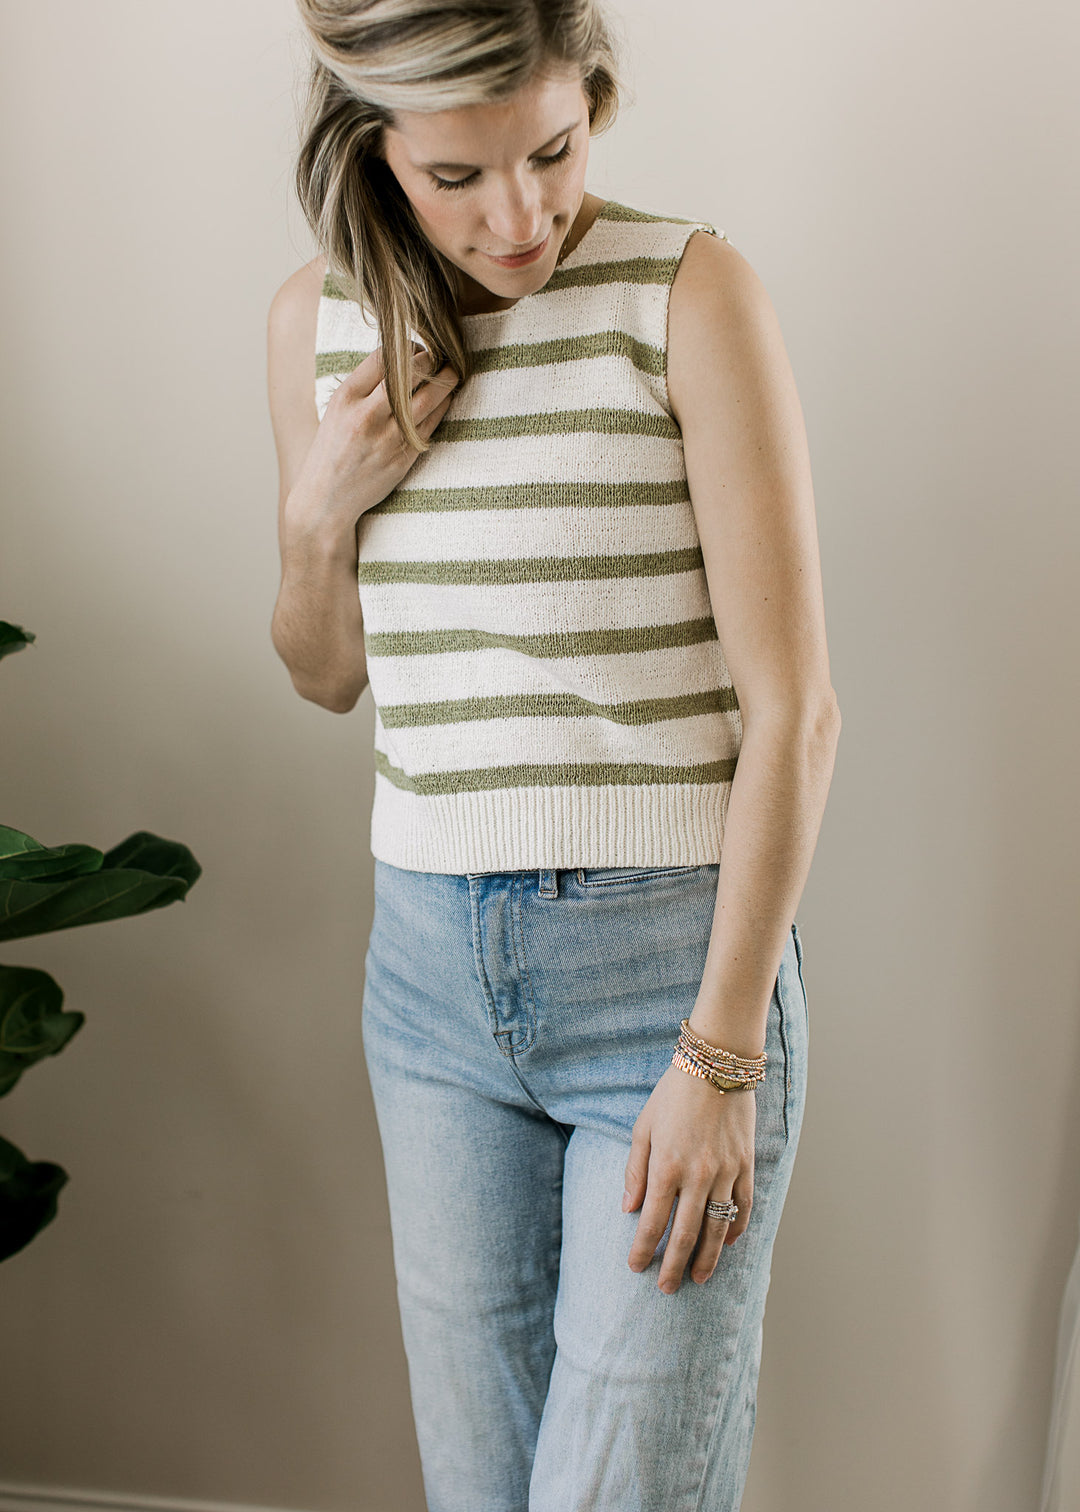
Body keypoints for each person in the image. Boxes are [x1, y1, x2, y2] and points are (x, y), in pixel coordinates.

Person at [267, 2, 840, 1507]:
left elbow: (796, 713)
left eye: (555, 150)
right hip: (428, 997)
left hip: (669, 991)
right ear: (373, 148)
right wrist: (322, 510)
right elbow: (328, 675)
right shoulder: (317, 324)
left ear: (594, 99)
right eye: (456, 176)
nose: (520, 216)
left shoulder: (688, 293)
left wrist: (722, 1059)